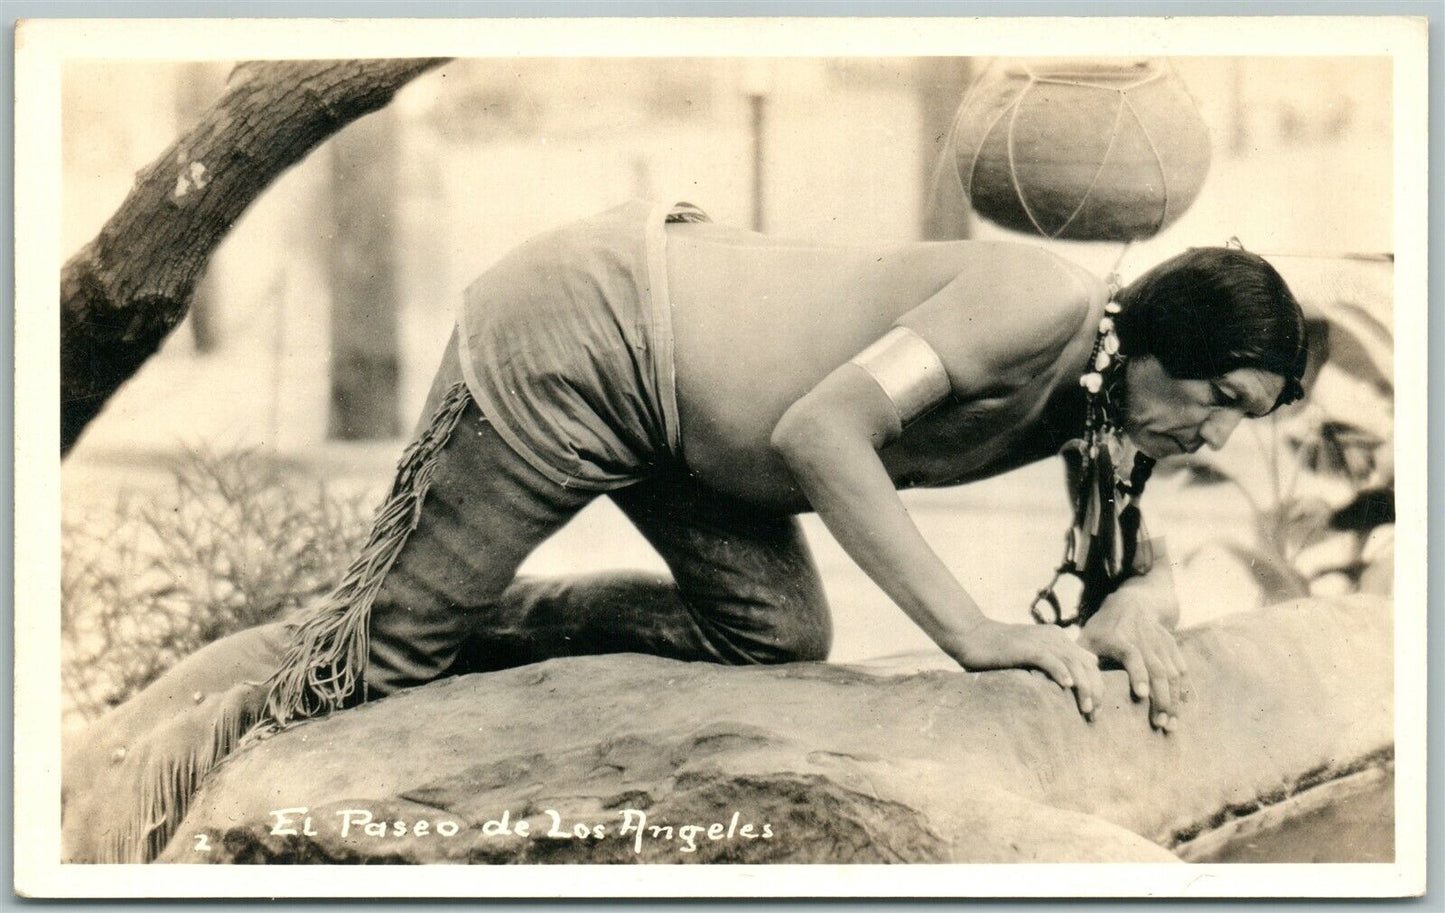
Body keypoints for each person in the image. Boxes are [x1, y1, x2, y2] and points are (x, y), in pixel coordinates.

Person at [65, 199, 1307, 862]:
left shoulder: (1108, 417)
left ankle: (478, 608)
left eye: (1239, 418)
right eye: (1217, 400)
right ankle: (121, 791)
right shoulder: (1033, 300)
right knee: (369, 667)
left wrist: (1142, 603)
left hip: (704, 440)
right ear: (1160, 345)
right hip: (592, 340)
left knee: (774, 632)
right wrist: (973, 632)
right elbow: (825, 433)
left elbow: (1114, 576)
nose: (1213, 433)